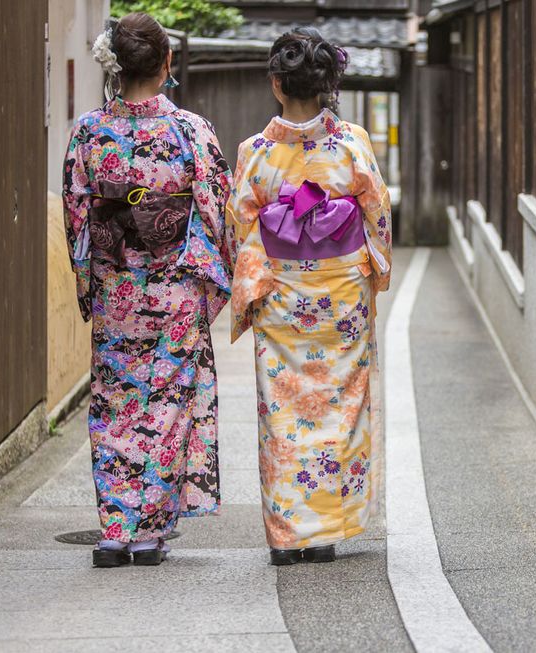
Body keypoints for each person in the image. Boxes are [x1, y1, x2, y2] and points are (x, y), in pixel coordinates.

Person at [62, 12, 233, 567]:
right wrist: (210, 276)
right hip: (174, 288)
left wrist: (91, 281)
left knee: (114, 402)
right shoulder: (190, 131)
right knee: (165, 404)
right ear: (166, 64)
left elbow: (77, 215)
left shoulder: (89, 131)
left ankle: (114, 530)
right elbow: (216, 210)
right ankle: (148, 532)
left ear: (114, 67)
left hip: (118, 289)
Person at [227, 27, 392, 566]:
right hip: (340, 299)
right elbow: (377, 216)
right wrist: (371, 272)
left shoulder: (255, 152)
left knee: (282, 412)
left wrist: (253, 290)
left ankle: (285, 534)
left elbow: (243, 230)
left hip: (281, 298)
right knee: (339, 407)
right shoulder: (351, 143)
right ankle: (322, 532)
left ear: (277, 84)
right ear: (326, 85)